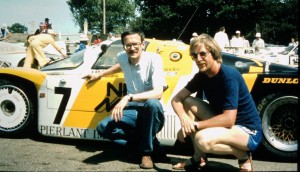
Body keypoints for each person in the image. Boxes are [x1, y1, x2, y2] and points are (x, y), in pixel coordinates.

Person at [171, 34, 262, 171]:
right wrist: (184, 120)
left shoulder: (229, 76)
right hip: (226, 124)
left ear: (213, 53)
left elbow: (228, 119)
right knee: (188, 101)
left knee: (202, 139)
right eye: (194, 55)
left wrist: (194, 127)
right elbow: (176, 99)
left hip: (247, 131)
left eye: (202, 54)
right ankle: (198, 158)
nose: (198, 59)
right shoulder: (202, 76)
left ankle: (243, 156)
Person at [82, 29, 167, 169]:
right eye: (128, 45)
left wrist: (128, 97)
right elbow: (120, 66)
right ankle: (142, 144)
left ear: (143, 44)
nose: (132, 48)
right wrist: (99, 75)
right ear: (123, 46)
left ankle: (146, 153)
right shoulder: (122, 57)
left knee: (152, 103)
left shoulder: (154, 59)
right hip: (133, 111)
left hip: (151, 111)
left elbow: (158, 93)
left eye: (135, 44)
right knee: (103, 127)